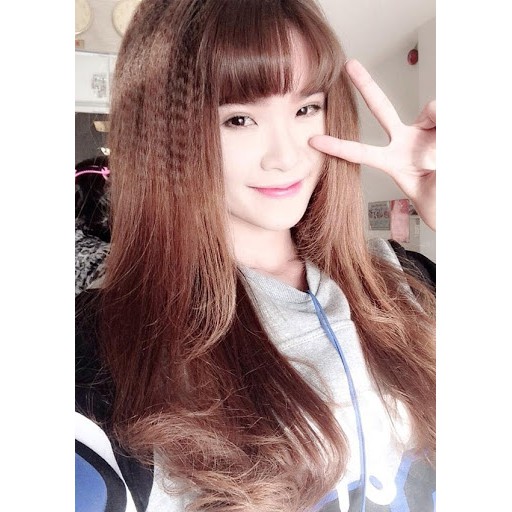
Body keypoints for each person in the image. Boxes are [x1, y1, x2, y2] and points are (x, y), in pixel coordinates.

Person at [75, 0, 436, 511]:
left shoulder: (407, 281)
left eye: (306, 109)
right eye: (239, 119)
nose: (286, 156)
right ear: (164, 135)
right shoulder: (110, 346)